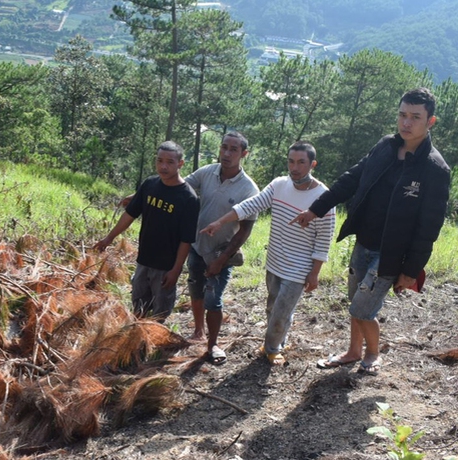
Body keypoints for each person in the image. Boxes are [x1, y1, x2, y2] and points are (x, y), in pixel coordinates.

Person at [291, 87, 451, 375]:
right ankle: (353, 351)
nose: (406, 123)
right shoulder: (385, 146)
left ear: (431, 121)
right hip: (363, 242)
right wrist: (316, 209)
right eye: (402, 115)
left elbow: (430, 227)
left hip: (391, 254)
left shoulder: (435, 169)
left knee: (362, 309)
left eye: (415, 117)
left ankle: (374, 354)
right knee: (355, 302)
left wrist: (411, 270)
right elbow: (351, 179)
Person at [200, 141, 335, 365]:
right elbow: (250, 205)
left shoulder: (324, 199)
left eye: (301, 163)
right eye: (291, 161)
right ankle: (278, 340)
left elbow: (323, 241)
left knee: (281, 311)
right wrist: (220, 221)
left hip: (299, 268)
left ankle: (272, 348)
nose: (295, 168)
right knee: (273, 306)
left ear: (313, 164)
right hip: (274, 261)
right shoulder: (279, 185)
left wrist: (314, 273)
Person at [94, 141, 199, 322]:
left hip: (166, 266)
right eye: (159, 161)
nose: (163, 166)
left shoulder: (188, 198)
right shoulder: (150, 185)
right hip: (144, 259)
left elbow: (186, 239)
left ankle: (155, 347)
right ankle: (137, 343)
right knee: (138, 307)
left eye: (170, 162)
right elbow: (129, 215)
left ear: (180, 164)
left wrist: (176, 270)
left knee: (159, 314)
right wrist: (108, 238)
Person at [185, 132, 259, 364]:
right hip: (197, 245)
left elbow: (245, 230)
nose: (227, 154)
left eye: (233, 150)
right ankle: (199, 330)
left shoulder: (248, 190)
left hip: (221, 252)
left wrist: (222, 259)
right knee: (196, 288)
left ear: (243, 154)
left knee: (213, 299)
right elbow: (179, 185)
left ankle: (213, 344)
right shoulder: (207, 172)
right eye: (224, 148)